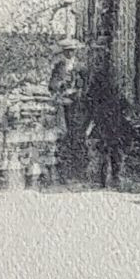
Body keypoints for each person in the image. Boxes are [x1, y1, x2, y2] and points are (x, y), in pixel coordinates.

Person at [83, 53, 131, 189]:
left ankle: (105, 179)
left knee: (105, 150)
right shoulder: (116, 79)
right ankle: (114, 177)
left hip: (104, 119)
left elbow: (90, 99)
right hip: (113, 120)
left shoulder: (97, 78)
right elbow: (123, 101)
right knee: (114, 150)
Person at [48, 38, 87, 180]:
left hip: (77, 104)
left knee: (78, 134)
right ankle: (64, 169)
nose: (70, 53)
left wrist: (78, 92)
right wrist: (60, 85)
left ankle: (79, 168)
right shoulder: (59, 66)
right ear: (63, 52)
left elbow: (86, 86)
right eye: (67, 51)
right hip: (63, 104)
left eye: (72, 50)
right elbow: (51, 85)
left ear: (75, 51)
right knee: (64, 134)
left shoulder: (81, 67)